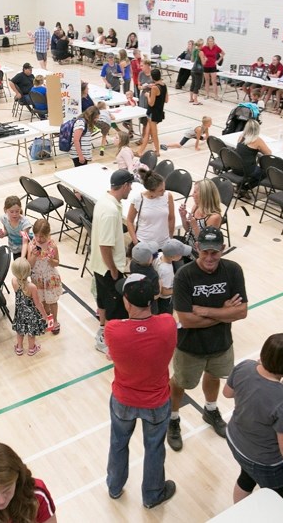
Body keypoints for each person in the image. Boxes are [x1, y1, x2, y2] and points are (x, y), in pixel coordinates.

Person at [167, 227, 247, 451]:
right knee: (179, 383)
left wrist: (207, 311)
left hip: (221, 343)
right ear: (196, 248)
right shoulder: (184, 275)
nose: (210, 258)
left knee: (214, 376)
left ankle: (210, 410)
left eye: (215, 252)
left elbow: (241, 312)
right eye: (205, 252)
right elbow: (187, 320)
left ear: (222, 249)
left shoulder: (233, 270)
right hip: (188, 346)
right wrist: (224, 312)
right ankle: (173, 419)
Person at [105, 273, 178, 509]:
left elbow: (116, 353)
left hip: (124, 399)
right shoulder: (167, 323)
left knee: (118, 443)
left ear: (126, 301)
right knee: (155, 448)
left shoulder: (113, 329)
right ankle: (152, 495)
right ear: (152, 298)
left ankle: (115, 487)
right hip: (156, 401)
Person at [223, 333, 283, 506]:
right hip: (265, 460)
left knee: (246, 476)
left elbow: (227, 393)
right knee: (278, 500)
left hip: (235, 439)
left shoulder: (245, 366)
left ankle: (239, 513)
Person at [91, 169, 134, 353]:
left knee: (102, 301)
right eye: (130, 186)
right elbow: (105, 246)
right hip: (108, 267)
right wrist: (114, 270)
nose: (131, 190)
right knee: (114, 308)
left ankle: (102, 331)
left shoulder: (103, 200)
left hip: (98, 265)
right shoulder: (110, 211)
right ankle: (109, 342)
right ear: (124, 185)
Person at [22, 219, 62, 335]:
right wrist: (34, 255)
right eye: (37, 235)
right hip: (38, 279)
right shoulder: (32, 244)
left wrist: (51, 260)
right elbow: (30, 265)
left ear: (48, 234)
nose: (39, 239)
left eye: (42, 236)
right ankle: (47, 319)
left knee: (52, 301)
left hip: (50, 277)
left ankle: (55, 321)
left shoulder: (52, 245)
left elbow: (57, 262)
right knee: (43, 301)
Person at [10, 257, 49, 356]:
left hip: (19, 312)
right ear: (28, 271)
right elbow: (38, 304)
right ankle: (31, 349)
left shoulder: (14, 281)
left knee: (20, 331)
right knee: (32, 332)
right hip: (31, 314)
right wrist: (45, 315)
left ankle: (19, 348)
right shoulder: (32, 287)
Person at [127, 168, 174, 248]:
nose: (164, 192)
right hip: (144, 243)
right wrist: (135, 242)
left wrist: (171, 237)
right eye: (160, 190)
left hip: (163, 243)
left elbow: (171, 218)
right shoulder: (138, 199)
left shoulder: (168, 196)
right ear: (151, 191)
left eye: (164, 188)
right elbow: (129, 221)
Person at [179, 179, 223, 250]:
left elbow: (205, 243)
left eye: (195, 192)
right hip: (187, 246)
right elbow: (188, 230)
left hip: (199, 253)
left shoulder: (214, 217)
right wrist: (183, 217)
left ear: (204, 195)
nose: (192, 195)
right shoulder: (196, 207)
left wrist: (195, 226)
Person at [233, 119, 272, 193]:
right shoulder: (257, 140)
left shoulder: (241, 137)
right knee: (264, 173)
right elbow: (268, 153)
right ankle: (244, 188)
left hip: (236, 167)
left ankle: (241, 185)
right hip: (247, 170)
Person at [136, 69, 168, 157]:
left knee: (153, 133)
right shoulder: (164, 85)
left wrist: (147, 95)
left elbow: (151, 103)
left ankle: (157, 151)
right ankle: (140, 151)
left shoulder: (154, 88)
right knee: (147, 132)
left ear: (152, 77)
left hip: (152, 113)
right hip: (159, 111)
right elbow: (166, 100)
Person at [157, 239, 191, 314]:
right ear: (173, 257)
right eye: (181, 254)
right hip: (165, 301)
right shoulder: (167, 271)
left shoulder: (159, 255)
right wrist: (179, 289)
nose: (182, 255)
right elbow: (164, 291)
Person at [201, 36, 224, 100]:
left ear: (213, 41)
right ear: (207, 41)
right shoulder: (204, 48)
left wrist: (218, 60)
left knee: (214, 81)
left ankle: (216, 96)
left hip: (213, 66)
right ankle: (207, 95)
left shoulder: (216, 47)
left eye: (211, 41)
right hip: (206, 66)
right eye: (209, 41)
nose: (210, 42)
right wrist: (203, 59)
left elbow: (223, 53)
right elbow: (200, 54)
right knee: (207, 81)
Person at [187, 39, 207, 105]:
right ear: (201, 45)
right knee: (197, 85)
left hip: (193, 69)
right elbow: (203, 63)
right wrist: (206, 59)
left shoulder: (194, 51)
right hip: (198, 70)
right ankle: (195, 100)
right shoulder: (201, 52)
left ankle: (191, 98)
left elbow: (192, 60)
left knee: (193, 84)